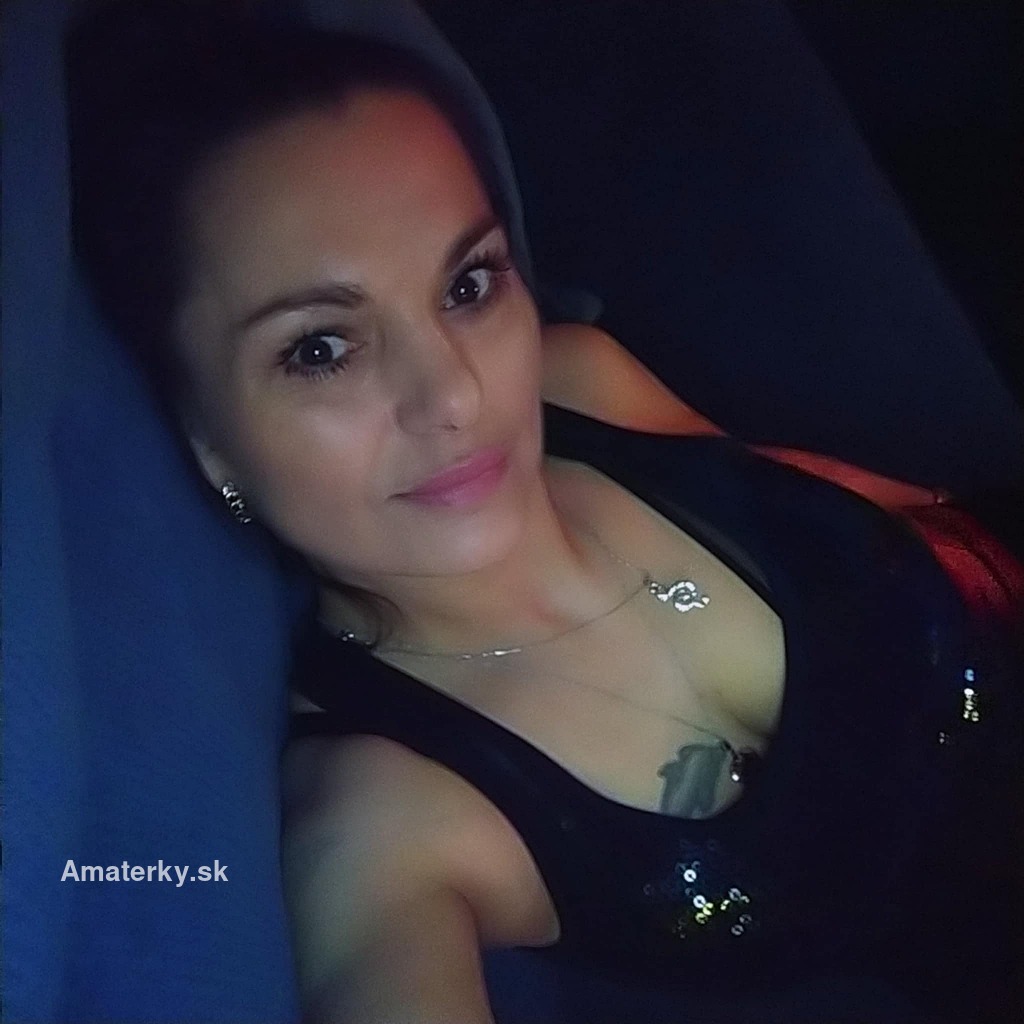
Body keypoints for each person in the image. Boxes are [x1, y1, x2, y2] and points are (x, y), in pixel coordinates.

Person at [68, 4, 1023, 1022]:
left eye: (468, 285)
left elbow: (872, 505)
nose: (455, 395)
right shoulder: (387, 814)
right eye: (320, 349)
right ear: (208, 440)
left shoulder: (580, 382)